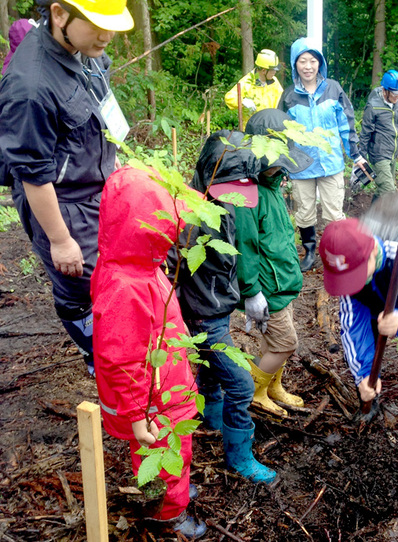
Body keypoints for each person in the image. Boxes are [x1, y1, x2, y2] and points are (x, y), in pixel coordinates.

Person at [0, 0, 133, 375]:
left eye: (111, 25)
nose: (107, 36)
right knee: (78, 282)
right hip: (61, 201)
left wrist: (109, 155)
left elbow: (97, 104)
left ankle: (115, 339)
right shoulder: (31, 86)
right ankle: (97, 353)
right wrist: (60, 239)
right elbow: (33, 174)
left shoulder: (83, 48)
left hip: (95, 183)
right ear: (59, 14)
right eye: (96, 24)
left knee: (110, 271)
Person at [92, 167, 206, 539]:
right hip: (154, 402)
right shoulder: (124, 285)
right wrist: (138, 415)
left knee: (175, 452)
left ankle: (172, 495)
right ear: (143, 227)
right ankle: (168, 514)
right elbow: (120, 359)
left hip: (165, 387)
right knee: (163, 457)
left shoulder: (143, 267)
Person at [174, 129, 277, 484]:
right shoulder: (189, 216)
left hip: (215, 308)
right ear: (208, 174)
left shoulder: (223, 206)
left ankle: (211, 418)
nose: (236, 196)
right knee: (241, 385)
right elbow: (170, 271)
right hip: (202, 315)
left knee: (210, 368)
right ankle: (239, 457)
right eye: (230, 187)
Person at [318, 218, 398, 408]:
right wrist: (363, 375)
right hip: (374, 302)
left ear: (373, 252)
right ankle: (370, 395)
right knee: (368, 342)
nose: (349, 285)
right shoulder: (349, 282)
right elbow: (353, 328)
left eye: (354, 276)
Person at [238, 108, 313, 417]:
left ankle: (271, 385)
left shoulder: (272, 185)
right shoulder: (246, 192)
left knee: (277, 342)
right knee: (285, 343)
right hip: (267, 288)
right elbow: (245, 248)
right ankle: (253, 392)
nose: (280, 167)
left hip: (283, 282)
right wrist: (251, 291)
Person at [279, 36, 366, 272]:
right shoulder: (288, 96)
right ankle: (309, 251)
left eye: (313, 61)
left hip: (331, 164)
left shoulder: (333, 88)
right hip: (301, 166)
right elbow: (282, 133)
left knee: (333, 214)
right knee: (304, 212)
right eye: (303, 61)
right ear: (295, 64)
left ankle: (335, 252)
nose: (308, 66)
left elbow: (346, 123)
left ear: (320, 63)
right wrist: (283, 166)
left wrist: (355, 155)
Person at [358, 69, 398, 198]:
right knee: (389, 190)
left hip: (392, 153)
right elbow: (365, 133)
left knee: (382, 190)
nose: (397, 96)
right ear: (385, 90)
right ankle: (392, 218)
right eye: (394, 94)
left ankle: (371, 217)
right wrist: (361, 157)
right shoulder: (373, 106)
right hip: (378, 155)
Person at [225, 49, 283, 129]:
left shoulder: (274, 82)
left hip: (270, 128)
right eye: (273, 70)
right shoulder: (247, 82)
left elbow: (281, 100)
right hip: (251, 129)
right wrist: (243, 101)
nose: (275, 72)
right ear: (263, 71)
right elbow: (229, 98)